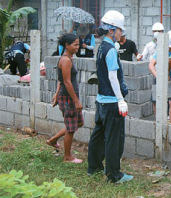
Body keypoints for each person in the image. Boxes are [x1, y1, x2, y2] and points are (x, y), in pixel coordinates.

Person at [87, 10, 133, 183]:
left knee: (98, 135)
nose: (122, 33)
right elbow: (113, 76)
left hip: (101, 100)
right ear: (112, 30)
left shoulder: (101, 47)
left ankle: (94, 167)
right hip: (112, 102)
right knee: (114, 139)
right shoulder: (111, 50)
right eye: (120, 30)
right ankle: (114, 175)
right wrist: (121, 99)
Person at [46, 33, 83, 163]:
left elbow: (60, 81)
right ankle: (67, 157)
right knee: (71, 128)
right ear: (67, 45)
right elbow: (66, 82)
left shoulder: (68, 58)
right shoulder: (66, 60)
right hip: (69, 98)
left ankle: (53, 140)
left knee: (78, 123)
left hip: (68, 96)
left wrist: (56, 95)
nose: (78, 47)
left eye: (78, 44)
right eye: (75, 44)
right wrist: (76, 101)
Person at [148, 30, 171, 123]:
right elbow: (151, 65)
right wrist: (158, 77)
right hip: (159, 76)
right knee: (155, 100)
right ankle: (158, 122)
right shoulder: (161, 50)